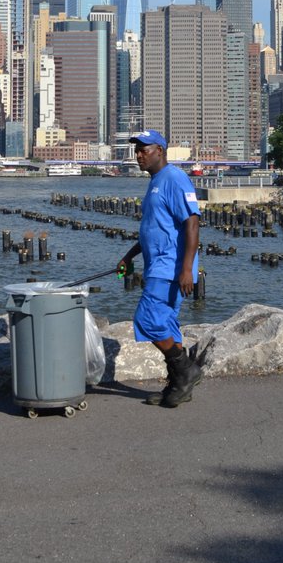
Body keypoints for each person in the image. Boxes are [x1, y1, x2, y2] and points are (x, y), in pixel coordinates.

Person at [117, 130, 204, 407]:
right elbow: (154, 229)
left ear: (160, 151)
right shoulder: (155, 182)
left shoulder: (175, 178)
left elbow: (192, 223)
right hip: (157, 264)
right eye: (137, 150)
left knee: (147, 320)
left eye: (144, 149)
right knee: (166, 324)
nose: (139, 155)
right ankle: (179, 386)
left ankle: (186, 370)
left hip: (170, 267)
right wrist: (129, 256)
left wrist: (187, 270)